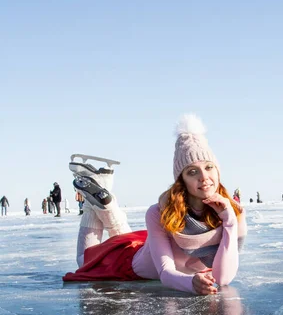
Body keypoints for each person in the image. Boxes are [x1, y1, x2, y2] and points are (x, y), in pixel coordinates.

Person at [63, 114, 247, 295]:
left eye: (209, 167)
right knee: (84, 260)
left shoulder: (232, 212)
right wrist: (190, 283)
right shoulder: (160, 212)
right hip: (126, 266)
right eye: (192, 172)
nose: (204, 177)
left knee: (122, 237)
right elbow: (166, 273)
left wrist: (229, 221)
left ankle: (102, 189)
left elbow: (223, 278)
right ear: (181, 179)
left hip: (144, 247)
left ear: (217, 170)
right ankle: (92, 199)